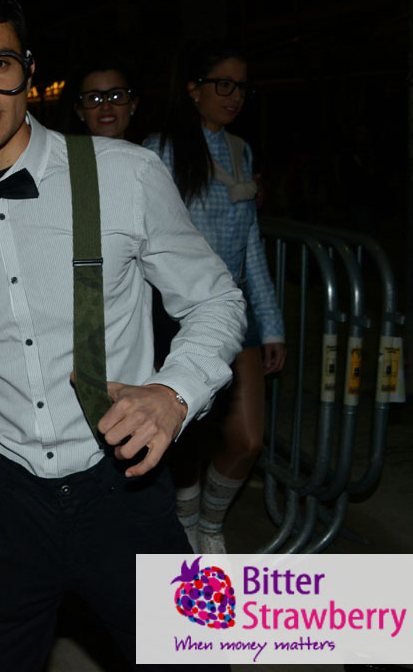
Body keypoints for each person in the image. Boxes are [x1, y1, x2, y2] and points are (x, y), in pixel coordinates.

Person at [0, 0, 246, 669]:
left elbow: (214, 299)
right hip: (0, 505)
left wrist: (173, 394)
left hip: (127, 491)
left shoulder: (127, 174)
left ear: (28, 70)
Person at [144, 42, 286, 555]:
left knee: (247, 437)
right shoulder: (159, 150)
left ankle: (209, 520)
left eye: (241, 86)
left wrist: (270, 325)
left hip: (233, 308)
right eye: (222, 84)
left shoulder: (241, 151)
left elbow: (251, 244)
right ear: (194, 89)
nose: (234, 96)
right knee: (182, 434)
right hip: (174, 311)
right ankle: (184, 520)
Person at [69, 62, 138, 141]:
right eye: (94, 98)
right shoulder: (62, 152)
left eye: (116, 95)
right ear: (80, 111)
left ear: (133, 105)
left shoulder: (150, 151)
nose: (106, 106)